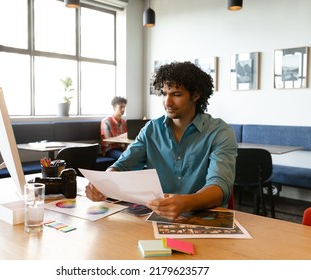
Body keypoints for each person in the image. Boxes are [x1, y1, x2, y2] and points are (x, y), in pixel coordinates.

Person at [87, 61, 237, 220]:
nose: (167, 102)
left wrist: (185, 203)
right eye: (164, 94)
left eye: (177, 94)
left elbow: (220, 187)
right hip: (158, 217)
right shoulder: (151, 129)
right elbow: (123, 165)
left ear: (196, 95)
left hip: (205, 218)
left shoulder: (220, 132)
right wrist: (103, 183)